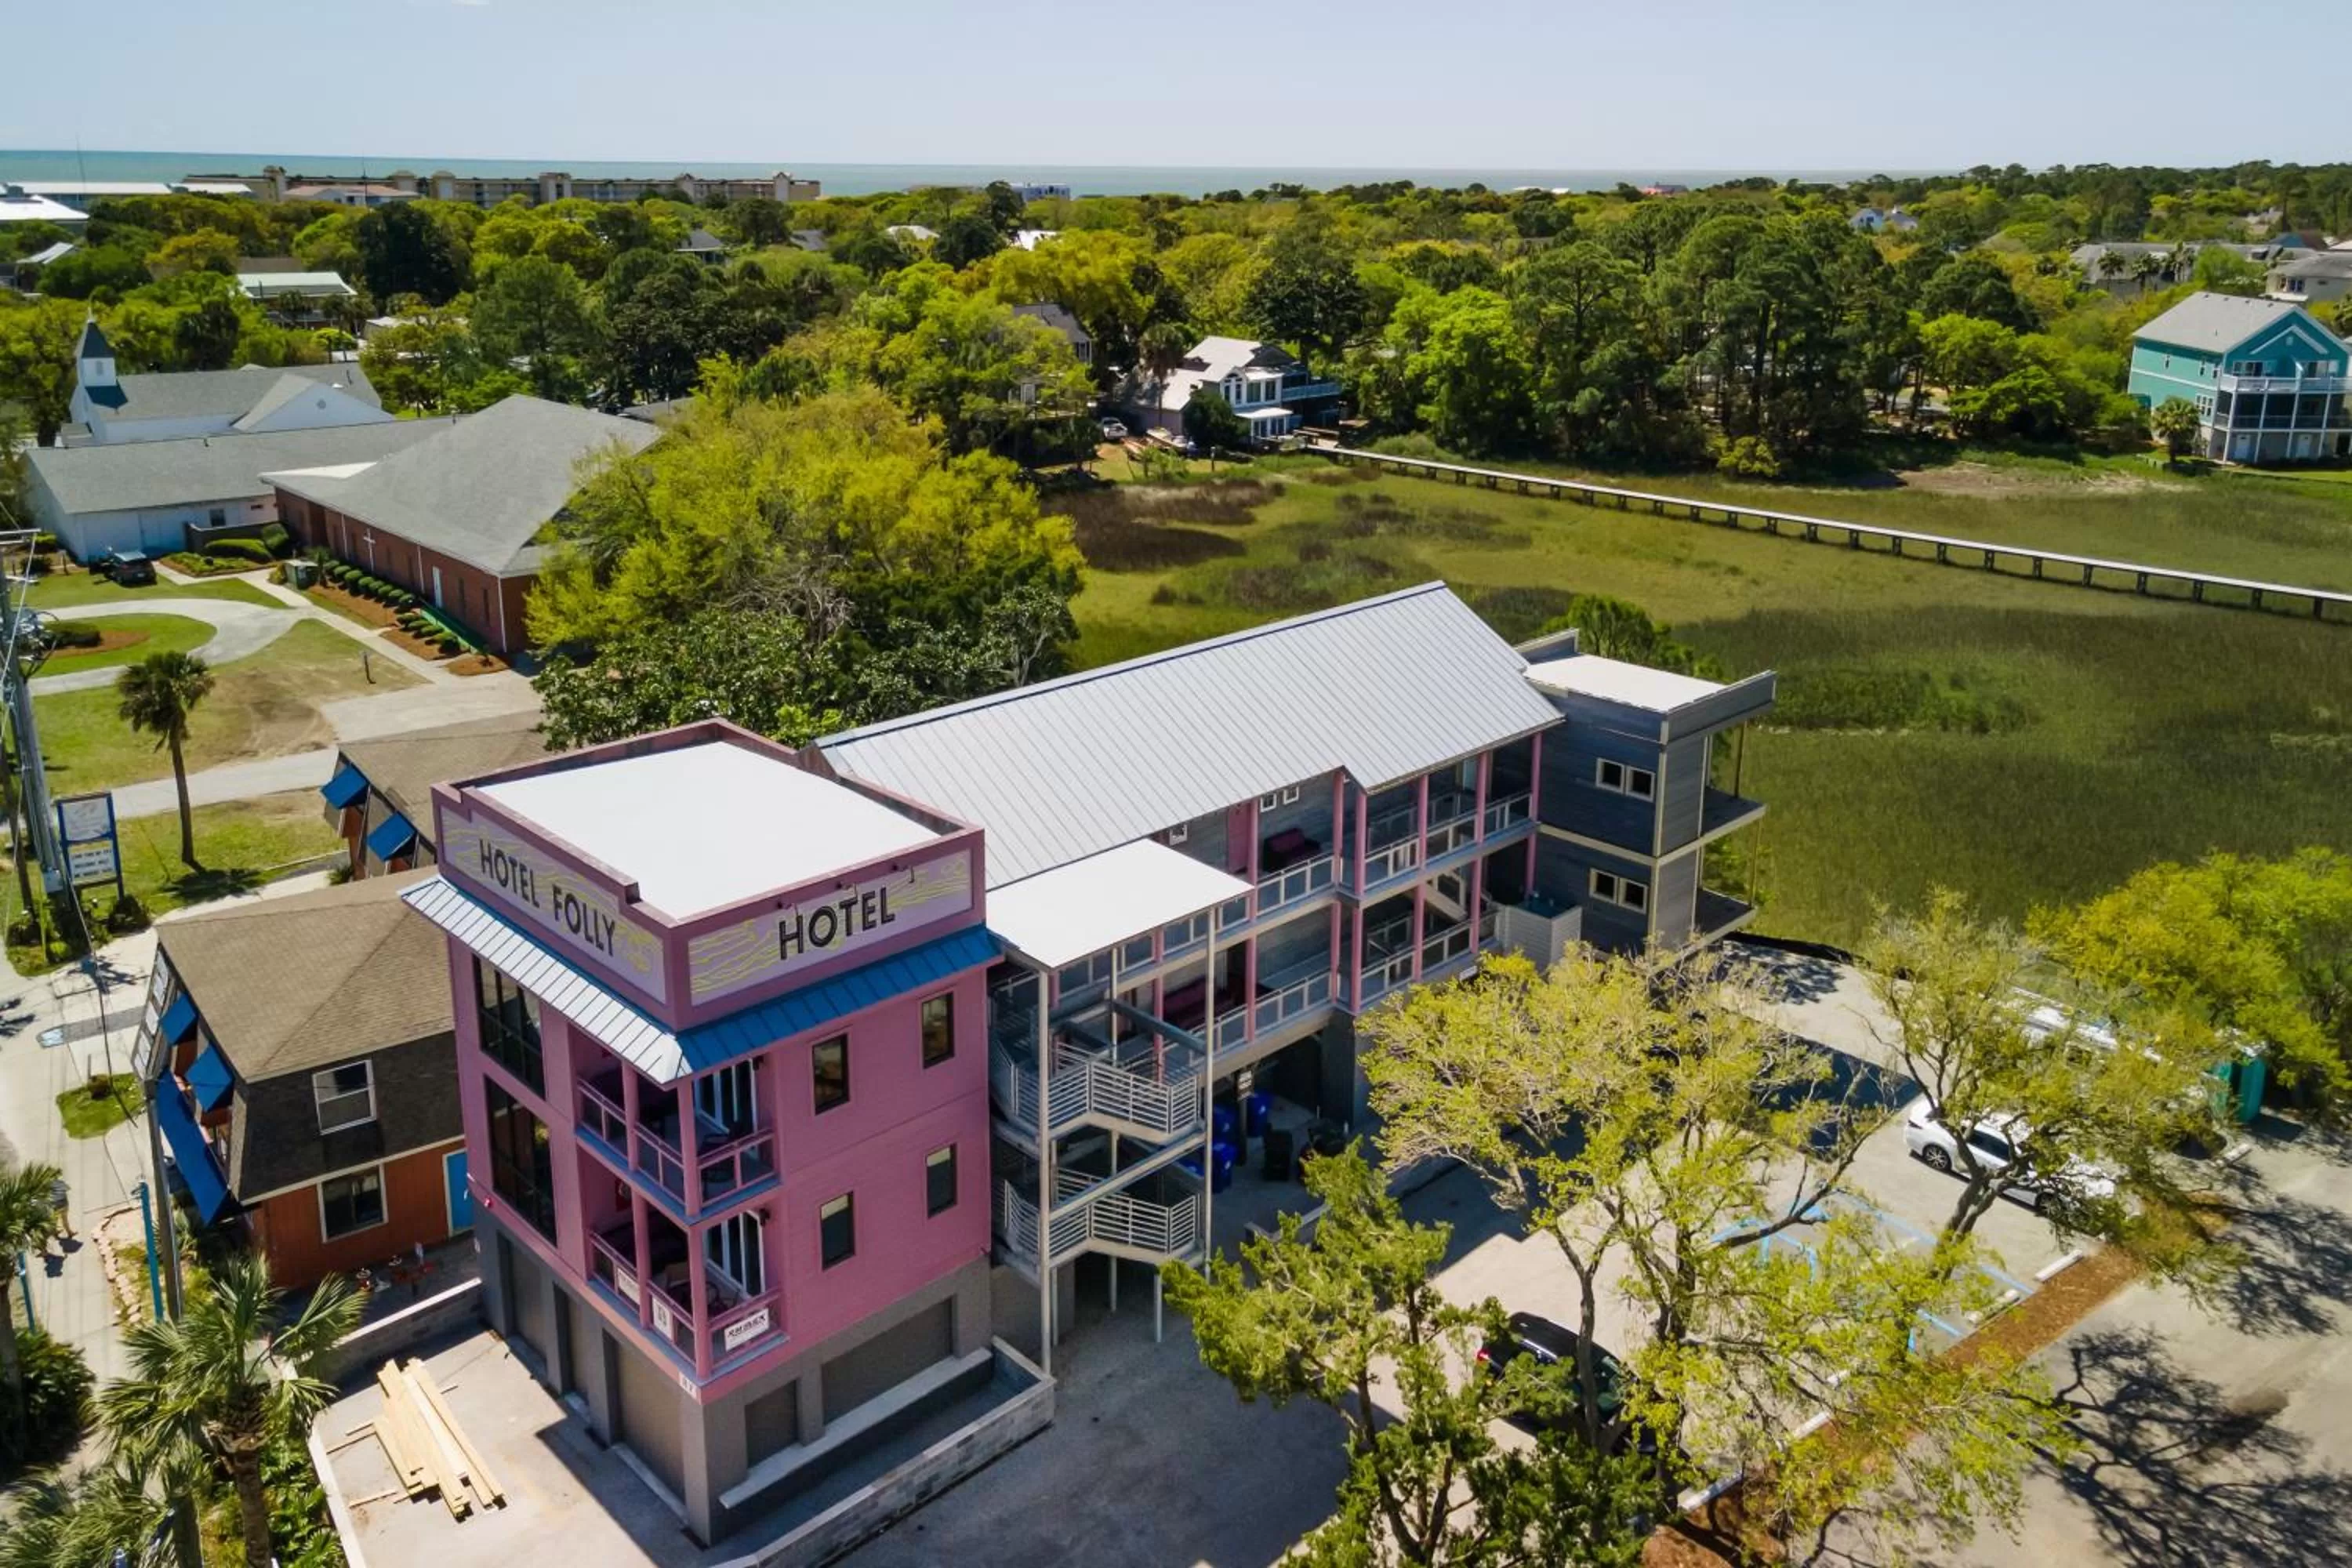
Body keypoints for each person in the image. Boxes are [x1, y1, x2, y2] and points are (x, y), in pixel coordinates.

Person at [48, 1173, 72, 1243]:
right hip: (64, 1204)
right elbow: (68, 1188)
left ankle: (55, 1234)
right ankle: (69, 1233)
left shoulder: (48, 1186)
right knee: (65, 1219)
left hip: (55, 1206)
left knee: (55, 1220)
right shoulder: (60, 1183)